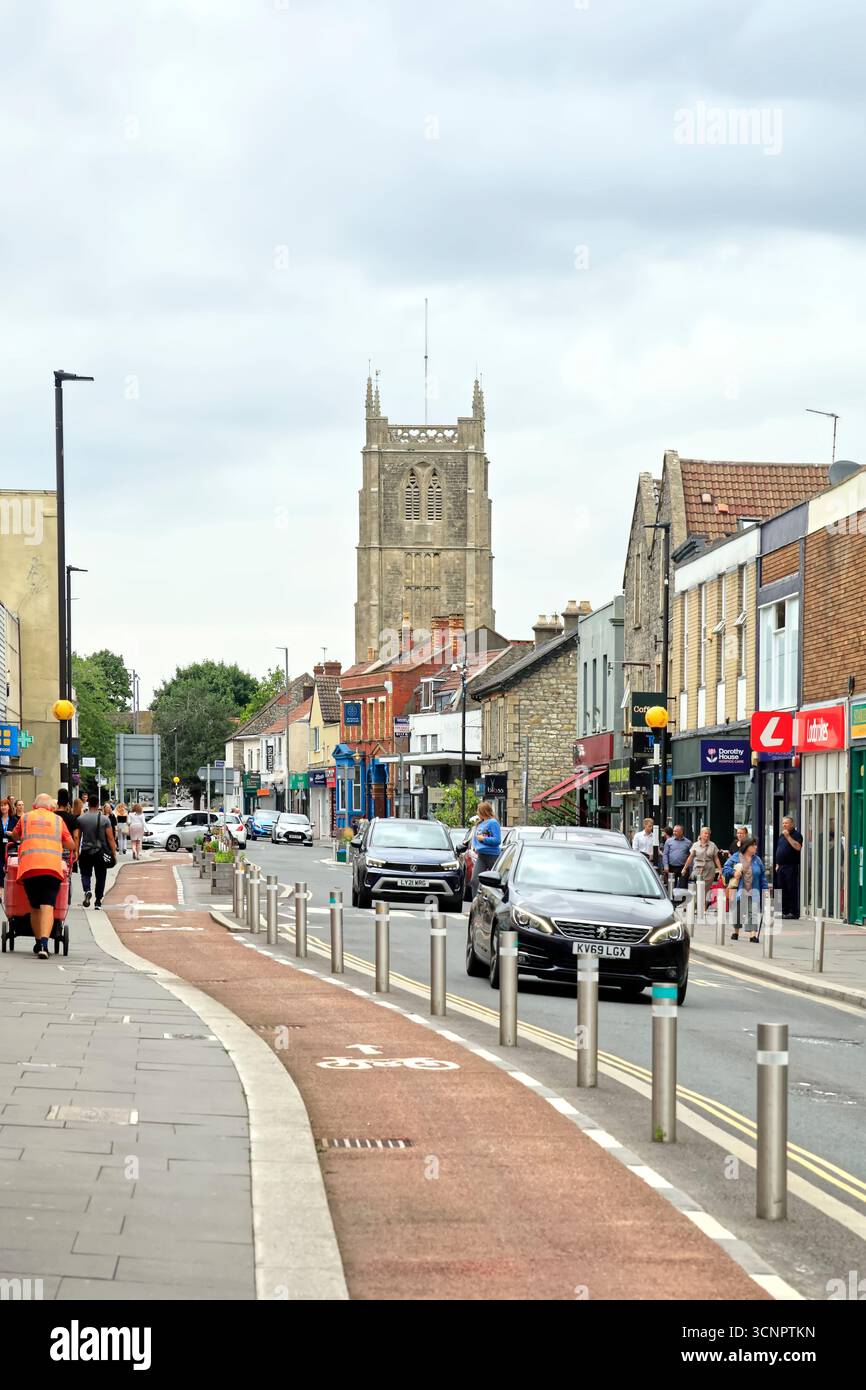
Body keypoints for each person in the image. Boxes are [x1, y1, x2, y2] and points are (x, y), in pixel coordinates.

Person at [9, 794, 75, 958]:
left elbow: (15, 836)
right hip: (52, 868)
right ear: (51, 807)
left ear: (34, 805)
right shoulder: (58, 821)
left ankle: (38, 942)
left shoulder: (25, 818)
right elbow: (70, 844)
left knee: (35, 906)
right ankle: (45, 944)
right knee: (48, 905)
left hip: (29, 867)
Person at [724, 837, 769, 941]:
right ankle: (736, 932)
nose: (755, 847)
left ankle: (752, 935)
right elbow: (726, 869)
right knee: (738, 911)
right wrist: (734, 872)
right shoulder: (735, 857)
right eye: (753, 845)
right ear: (747, 847)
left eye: (755, 845)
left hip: (754, 890)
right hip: (738, 889)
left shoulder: (757, 860)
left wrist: (765, 889)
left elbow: (762, 876)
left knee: (752, 912)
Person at [78, 793, 117, 909]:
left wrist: (76, 851)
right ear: (98, 804)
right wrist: (113, 852)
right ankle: (98, 901)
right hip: (100, 852)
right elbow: (110, 838)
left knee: (85, 873)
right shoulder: (105, 820)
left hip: (85, 851)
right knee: (101, 875)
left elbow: (77, 837)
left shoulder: (81, 819)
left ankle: (87, 890)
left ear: (88, 804)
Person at [470, 800, 502, 899]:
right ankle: (475, 905)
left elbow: (497, 840)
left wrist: (484, 839)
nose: (477, 813)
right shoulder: (480, 824)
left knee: (497, 883)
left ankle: (496, 903)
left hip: (492, 855)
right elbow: (477, 837)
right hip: (481, 855)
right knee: (474, 881)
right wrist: (475, 845)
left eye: (478, 810)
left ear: (484, 811)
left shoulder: (493, 822)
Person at [54, 789, 81, 903]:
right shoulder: (72, 818)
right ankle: (65, 898)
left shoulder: (52, 816)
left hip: (53, 849)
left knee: (55, 874)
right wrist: (76, 850)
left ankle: (54, 896)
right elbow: (75, 836)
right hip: (67, 851)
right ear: (68, 803)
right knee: (66, 875)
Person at [774, 815, 803, 919]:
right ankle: (783, 911)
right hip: (781, 866)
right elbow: (779, 848)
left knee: (791, 889)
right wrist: (777, 863)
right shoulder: (781, 835)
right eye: (783, 823)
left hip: (791, 866)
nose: (784, 825)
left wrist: (788, 837)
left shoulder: (796, 835)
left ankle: (793, 912)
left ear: (792, 824)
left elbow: (798, 847)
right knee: (781, 889)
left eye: (786, 823)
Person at [682, 825, 722, 891]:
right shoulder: (695, 845)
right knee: (696, 889)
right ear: (701, 834)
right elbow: (690, 857)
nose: (707, 835)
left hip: (709, 870)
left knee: (705, 890)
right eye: (705, 833)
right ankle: (697, 901)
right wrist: (684, 868)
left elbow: (716, 858)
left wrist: (720, 870)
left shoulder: (713, 845)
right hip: (697, 869)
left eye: (709, 834)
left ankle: (703, 901)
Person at [662, 824, 692, 896]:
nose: (674, 833)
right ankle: (672, 901)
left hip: (683, 868)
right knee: (671, 887)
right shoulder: (668, 841)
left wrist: (690, 868)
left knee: (682, 887)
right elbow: (665, 854)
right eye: (674, 831)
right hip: (671, 867)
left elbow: (691, 856)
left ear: (681, 832)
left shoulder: (688, 842)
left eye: (676, 831)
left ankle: (682, 902)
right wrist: (666, 866)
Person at [0, 795, 18, 889]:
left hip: (11, 849)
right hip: (0, 849)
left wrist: (12, 834)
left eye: (5, 805)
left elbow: (18, 835)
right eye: (1, 805)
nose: (3, 807)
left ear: (9, 807)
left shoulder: (14, 820)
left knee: (10, 870)